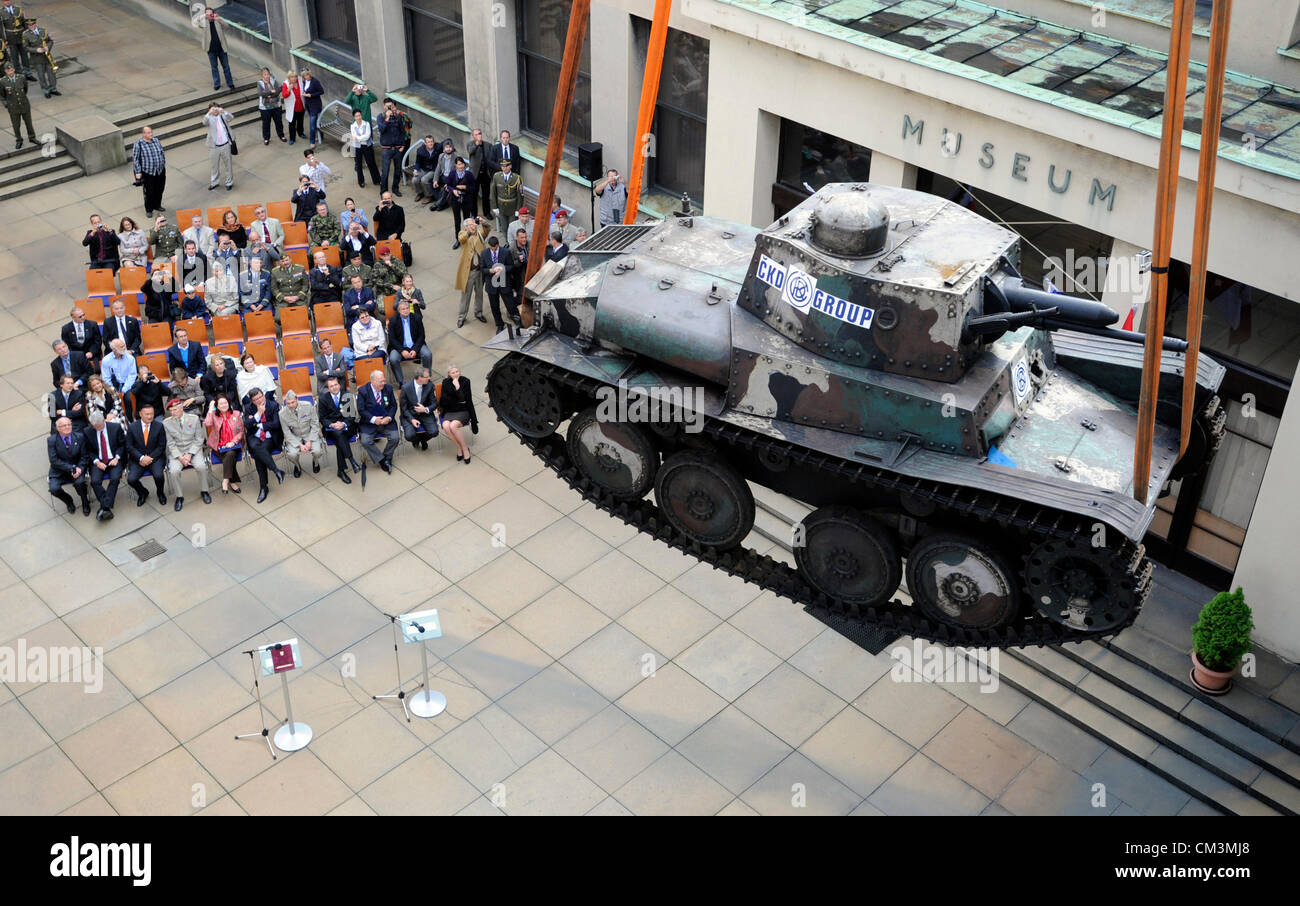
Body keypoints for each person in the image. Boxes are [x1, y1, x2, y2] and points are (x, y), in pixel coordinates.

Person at [164, 396, 212, 510]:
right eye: (170, 411)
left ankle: (204, 491)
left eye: (174, 410)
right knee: (174, 471)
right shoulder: (166, 423)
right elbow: (170, 443)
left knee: (201, 466)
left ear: (181, 408)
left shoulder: (194, 419)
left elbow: (199, 439)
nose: (172, 412)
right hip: (178, 452)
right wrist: (180, 457)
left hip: (193, 450)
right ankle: (179, 496)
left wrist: (190, 454)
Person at [243, 387, 285, 503]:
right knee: (257, 448)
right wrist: (258, 414)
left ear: (264, 395)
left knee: (258, 455)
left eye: (261, 396)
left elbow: (276, 424)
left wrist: (259, 425)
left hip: (269, 437)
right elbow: (247, 425)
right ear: (252, 401)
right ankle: (276, 470)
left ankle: (263, 488)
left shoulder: (273, 405)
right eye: (256, 399)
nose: (259, 400)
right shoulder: (249, 408)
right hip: (254, 437)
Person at [84, 412, 126, 521]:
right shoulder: (88, 432)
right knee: (95, 482)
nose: (98, 428)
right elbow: (89, 450)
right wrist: (97, 462)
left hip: (114, 459)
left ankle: (104, 507)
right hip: (99, 461)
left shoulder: (115, 428)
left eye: (100, 426)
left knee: (115, 478)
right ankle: (106, 507)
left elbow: (122, 445)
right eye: (95, 427)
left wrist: (117, 458)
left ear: (104, 421)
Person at [48, 416, 92, 516]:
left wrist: (80, 468)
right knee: (54, 489)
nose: (67, 427)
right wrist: (71, 468)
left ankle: (85, 501)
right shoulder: (52, 440)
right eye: (64, 425)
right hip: (60, 470)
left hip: (77, 469)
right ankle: (69, 501)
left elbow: (84, 456)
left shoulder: (79, 437)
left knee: (80, 483)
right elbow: (54, 460)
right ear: (58, 428)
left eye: (69, 424)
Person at [356, 369, 398, 474]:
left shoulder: (388, 389)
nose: (384, 383)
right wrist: (374, 420)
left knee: (395, 438)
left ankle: (387, 457)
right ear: (373, 382)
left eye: (384, 381)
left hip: (386, 421)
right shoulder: (363, 391)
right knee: (365, 441)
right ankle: (382, 460)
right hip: (370, 423)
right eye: (381, 381)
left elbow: (393, 405)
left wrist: (389, 417)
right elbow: (361, 410)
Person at [319, 376, 360, 482]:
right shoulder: (323, 399)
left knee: (340, 438)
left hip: (347, 427)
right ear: (328, 388)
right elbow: (322, 419)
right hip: (331, 429)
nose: (334, 387)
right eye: (331, 386)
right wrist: (332, 425)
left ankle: (341, 471)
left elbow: (351, 416)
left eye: (335, 385)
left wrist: (343, 423)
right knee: (339, 435)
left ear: (339, 385)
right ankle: (351, 461)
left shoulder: (347, 396)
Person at [125, 403, 167, 507]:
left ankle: (160, 493)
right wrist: (141, 457)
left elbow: (161, 446)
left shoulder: (159, 426)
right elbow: (129, 446)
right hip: (137, 458)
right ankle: (143, 493)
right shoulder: (132, 427)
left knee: (159, 475)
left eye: (151, 414)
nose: (149, 416)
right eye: (147, 414)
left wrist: (150, 458)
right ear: (140, 414)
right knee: (131, 479)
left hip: (155, 457)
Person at [437, 363, 477, 463]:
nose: (455, 374)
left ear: (460, 372)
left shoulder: (465, 381)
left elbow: (466, 400)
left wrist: (458, 388)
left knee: (453, 426)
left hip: (463, 410)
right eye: (453, 372)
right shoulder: (445, 382)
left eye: (457, 372)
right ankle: (459, 447)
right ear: (449, 374)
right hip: (449, 410)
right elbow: (444, 400)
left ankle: (464, 449)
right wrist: (457, 399)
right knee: (446, 426)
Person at [280, 390, 325, 476]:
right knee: (292, 455)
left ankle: (315, 462)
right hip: (295, 436)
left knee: (317, 451)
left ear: (297, 399)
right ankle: (297, 466)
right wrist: (299, 445)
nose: (291, 405)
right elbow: (287, 432)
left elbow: (315, 424)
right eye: (288, 403)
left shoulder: (307, 406)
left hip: (309, 433)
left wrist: (310, 441)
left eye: (292, 402)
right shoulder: (282, 414)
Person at [204, 394, 242, 493]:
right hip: (218, 446)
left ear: (229, 403)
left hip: (234, 445)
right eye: (221, 403)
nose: (224, 405)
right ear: (217, 406)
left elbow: (241, 432)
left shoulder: (236, 414)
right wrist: (210, 408)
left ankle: (225, 480)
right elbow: (207, 423)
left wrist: (233, 442)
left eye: (225, 403)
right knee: (230, 457)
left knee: (230, 453)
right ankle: (232, 482)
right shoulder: (213, 415)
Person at [455, 216, 489, 328]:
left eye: (474, 224)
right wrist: (469, 232)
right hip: (469, 272)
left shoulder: (479, 233)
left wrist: (483, 223)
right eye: (470, 225)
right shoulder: (463, 233)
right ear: (466, 227)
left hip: (480, 270)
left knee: (479, 293)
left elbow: (487, 230)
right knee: (466, 295)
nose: (473, 226)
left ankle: (478, 313)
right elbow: (461, 239)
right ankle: (461, 317)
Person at [387, 299, 431, 384]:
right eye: (403, 309)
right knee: (393, 358)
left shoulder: (416, 318)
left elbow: (421, 336)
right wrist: (402, 350)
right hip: (399, 347)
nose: (406, 310)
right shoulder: (393, 321)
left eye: (407, 308)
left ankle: (427, 378)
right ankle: (401, 382)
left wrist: (415, 349)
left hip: (415, 345)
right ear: (399, 311)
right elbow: (392, 339)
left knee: (427, 354)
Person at [481, 235, 519, 330]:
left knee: (511, 305)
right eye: (491, 249)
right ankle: (499, 325)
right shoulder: (484, 253)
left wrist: (502, 268)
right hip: (492, 284)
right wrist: (490, 271)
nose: (493, 250)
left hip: (504, 283)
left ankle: (518, 322)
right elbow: (482, 269)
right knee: (494, 306)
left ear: (498, 245)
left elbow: (511, 266)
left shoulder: (505, 252)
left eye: (494, 249)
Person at [132, 126, 167, 217]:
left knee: (160, 189)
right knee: (149, 191)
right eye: (148, 133)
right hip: (148, 172)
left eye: (151, 132)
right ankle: (149, 209)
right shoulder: (138, 144)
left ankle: (157, 205)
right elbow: (135, 159)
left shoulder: (156, 140)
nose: (151, 134)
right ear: (143, 134)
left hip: (160, 170)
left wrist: (163, 163)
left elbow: (161, 153)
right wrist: (138, 172)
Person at [375, 97, 408, 197]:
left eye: (391, 106)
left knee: (398, 170)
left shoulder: (398, 117)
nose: (389, 107)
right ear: (384, 106)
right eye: (388, 106)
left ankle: (395, 188)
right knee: (385, 171)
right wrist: (387, 119)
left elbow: (402, 132)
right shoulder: (381, 116)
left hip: (397, 148)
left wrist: (403, 145)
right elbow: (381, 129)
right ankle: (383, 191)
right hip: (386, 149)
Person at [400, 367, 439, 450]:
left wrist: (425, 409)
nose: (429, 378)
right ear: (420, 378)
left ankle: (423, 440)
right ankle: (416, 440)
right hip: (410, 415)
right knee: (409, 436)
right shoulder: (406, 388)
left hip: (425, 414)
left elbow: (435, 403)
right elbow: (403, 408)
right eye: (427, 377)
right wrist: (411, 419)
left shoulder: (429, 386)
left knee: (434, 432)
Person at [0, 61, 35, 150]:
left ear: (14, 69)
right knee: (16, 125)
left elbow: (25, 89)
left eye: (12, 70)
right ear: (5, 71)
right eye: (8, 71)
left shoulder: (21, 77)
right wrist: (6, 104)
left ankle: (32, 137)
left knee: (29, 123)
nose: (11, 72)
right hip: (13, 107)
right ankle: (19, 140)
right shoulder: (2, 81)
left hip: (24, 104)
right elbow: (2, 95)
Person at [199, 6, 234, 91]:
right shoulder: (204, 22)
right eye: (208, 14)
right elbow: (197, 23)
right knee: (214, 67)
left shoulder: (217, 20)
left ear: (213, 13)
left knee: (226, 67)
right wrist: (204, 17)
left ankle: (230, 83)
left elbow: (227, 27)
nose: (210, 15)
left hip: (221, 48)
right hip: (211, 50)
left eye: (211, 13)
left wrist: (219, 20)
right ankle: (217, 84)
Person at [445, 156, 476, 248]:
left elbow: (473, 187)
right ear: (456, 165)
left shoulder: (469, 174)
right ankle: (458, 239)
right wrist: (453, 190)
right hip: (456, 200)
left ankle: (468, 237)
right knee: (457, 220)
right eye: (459, 164)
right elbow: (448, 185)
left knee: (467, 220)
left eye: (462, 164)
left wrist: (465, 187)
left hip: (466, 200)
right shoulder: (452, 174)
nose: (461, 166)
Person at [204, 102, 235, 192]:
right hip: (214, 146)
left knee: (228, 165)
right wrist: (208, 113)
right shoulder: (209, 118)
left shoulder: (223, 115)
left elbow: (231, 117)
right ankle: (214, 182)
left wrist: (224, 111)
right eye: (213, 109)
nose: (215, 111)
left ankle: (229, 182)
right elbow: (204, 122)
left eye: (216, 108)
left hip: (225, 144)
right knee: (214, 166)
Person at [21, 17, 53, 98]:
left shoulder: (43, 30)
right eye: (28, 25)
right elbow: (25, 47)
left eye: (32, 24)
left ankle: (53, 88)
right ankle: (45, 90)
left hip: (47, 56)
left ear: (35, 24)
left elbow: (50, 41)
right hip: (36, 58)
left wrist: (48, 47)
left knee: (51, 73)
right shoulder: (25, 34)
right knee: (41, 75)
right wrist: (36, 50)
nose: (30, 26)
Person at [490, 157, 522, 237]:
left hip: (512, 206)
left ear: (510, 166)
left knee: (512, 227)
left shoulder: (517, 178)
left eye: (507, 166)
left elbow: (520, 195)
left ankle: (512, 242)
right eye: (503, 166)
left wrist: (518, 209)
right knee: (504, 227)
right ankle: (507, 242)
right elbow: (493, 192)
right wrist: (494, 207)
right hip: (501, 206)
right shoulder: (497, 176)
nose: (505, 168)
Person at [350, 110, 380, 188]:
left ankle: (377, 180)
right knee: (359, 164)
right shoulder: (353, 126)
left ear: (361, 115)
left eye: (359, 115)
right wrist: (360, 138)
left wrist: (358, 138)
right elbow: (354, 137)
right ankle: (361, 181)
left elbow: (367, 136)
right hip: (358, 147)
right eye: (356, 116)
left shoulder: (366, 124)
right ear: (354, 117)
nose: (358, 117)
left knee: (371, 162)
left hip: (367, 146)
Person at [1, 4, 31, 81]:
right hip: (10, 37)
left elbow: (24, 22)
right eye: (5, 1)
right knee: (14, 56)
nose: (7, 2)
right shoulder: (1, 12)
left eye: (8, 0)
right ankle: (19, 73)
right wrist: (4, 40)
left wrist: (27, 34)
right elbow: (1, 28)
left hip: (21, 35)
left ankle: (27, 72)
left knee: (24, 54)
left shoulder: (18, 9)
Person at [467, 128, 492, 218]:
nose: (478, 135)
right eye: (476, 134)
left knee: (486, 194)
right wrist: (477, 144)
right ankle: (474, 213)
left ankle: (487, 212)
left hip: (485, 173)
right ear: (473, 136)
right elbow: (470, 152)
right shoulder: (470, 144)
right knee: (474, 195)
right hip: (475, 174)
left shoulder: (488, 145)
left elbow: (490, 158)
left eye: (479, 133)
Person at [257, 67, 285, 145]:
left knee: (278, 122)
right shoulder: (260, 83)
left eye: (268, 74)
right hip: (265, 108)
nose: (267, 76)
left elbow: (277, 92)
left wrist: (268, 94)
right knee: (266, 123)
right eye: (265, 74)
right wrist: (270, 92)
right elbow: (260, 94)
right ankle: (266, 138)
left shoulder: (274, 81)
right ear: (262, 75)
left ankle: (281, 135)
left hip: (276, 106)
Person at [412, 136, 441, 204]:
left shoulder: (438, 149)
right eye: (428, 142)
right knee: (415, 179)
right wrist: (415, 170)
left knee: (424, 180)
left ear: (434, 142)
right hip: (423, 168)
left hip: (433, 170)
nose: (430, 143)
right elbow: (418, 162)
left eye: (431, 141)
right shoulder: (420, 150)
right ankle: (420, 193)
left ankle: (429, 196)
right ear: (425, 143)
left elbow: (445, 142)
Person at [300, 67, 324, 146]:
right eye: (304, 75)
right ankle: (320, 135)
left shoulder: (315, 81)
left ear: (310, 74)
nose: (306, 77)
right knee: (316, 122)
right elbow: (306, 90)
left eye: (307, 75)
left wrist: (311, 95)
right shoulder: (304, 81)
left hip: (315, 105)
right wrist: (304, 93)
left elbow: (321, 91)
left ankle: (312, 141)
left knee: (312, 125)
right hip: (308, 105)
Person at [281, 69, 305, 145]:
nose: (294, 78)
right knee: (292, 124)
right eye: (292, 77)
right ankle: (292, 138)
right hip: (292, 108)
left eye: (295, 76)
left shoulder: (300, 81)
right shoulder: (286, 84)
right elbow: (284, 95)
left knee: (300, 121)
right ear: (289, 78)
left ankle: (301, 133)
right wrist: (289, 89)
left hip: (301, 106)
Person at [509, 228, 530, 300]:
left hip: (529, 272)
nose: (524, 239)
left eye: (525, 237)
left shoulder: (529, 244)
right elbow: (510, 265)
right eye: (522, 237)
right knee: (520, 295)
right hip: (518, 276)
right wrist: (519, 260)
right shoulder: (511, 249)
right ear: (516, 238)